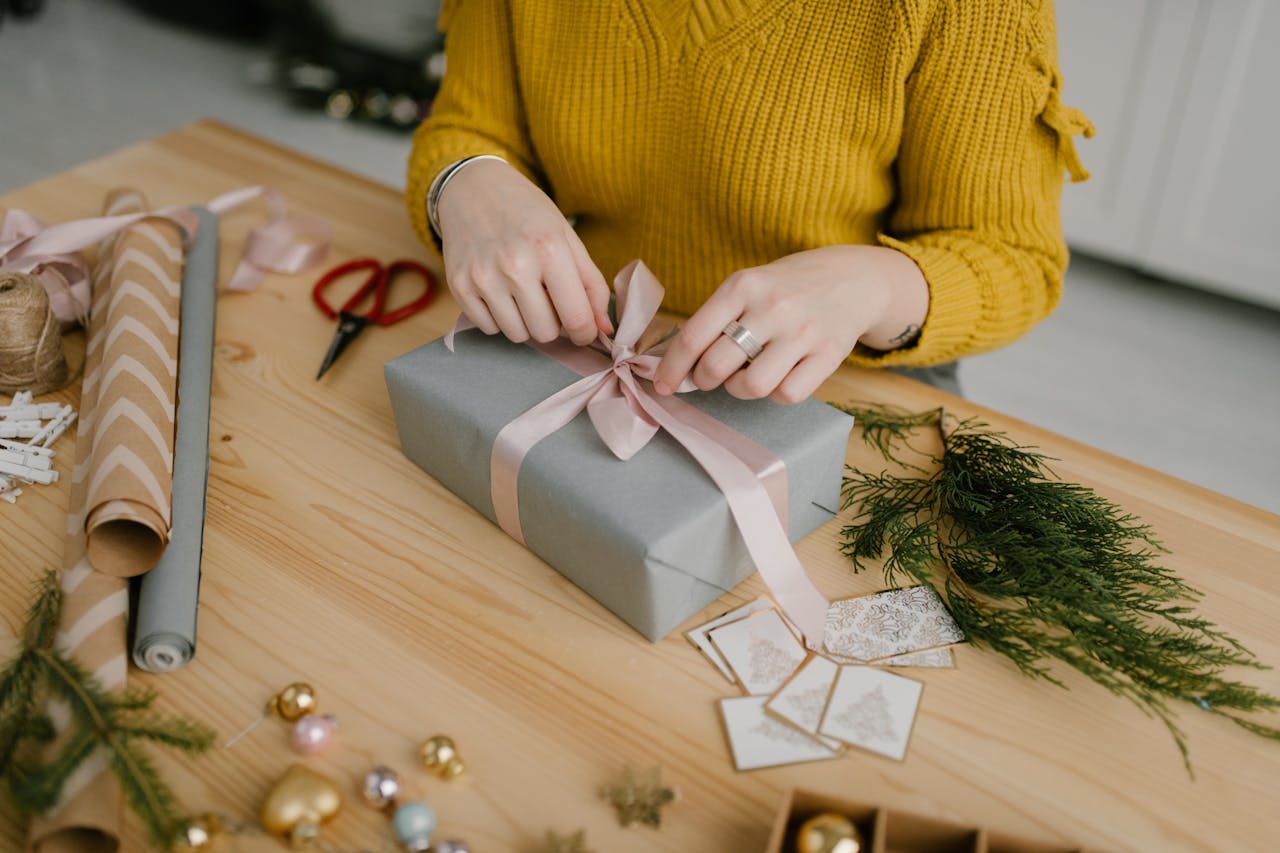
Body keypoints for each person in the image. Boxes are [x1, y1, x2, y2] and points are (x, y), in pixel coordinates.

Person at [406, 0, 1093, 401]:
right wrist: (463, 179)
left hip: (840, 373)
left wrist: (875, 285)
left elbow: (1014, 256)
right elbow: (470, 126)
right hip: (581, 341)